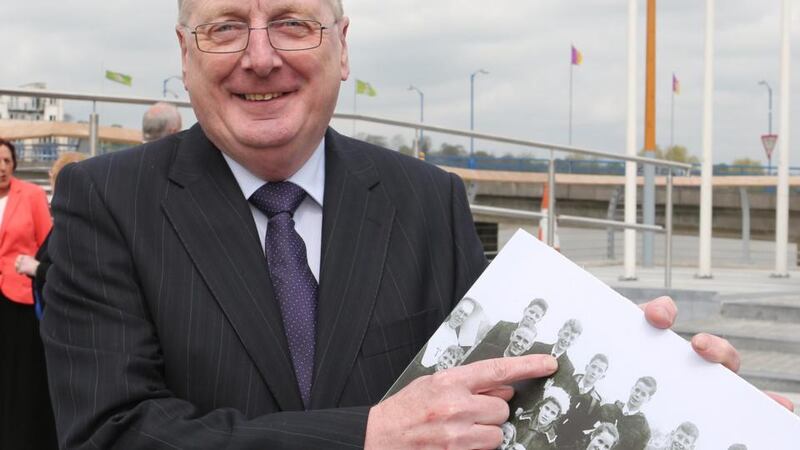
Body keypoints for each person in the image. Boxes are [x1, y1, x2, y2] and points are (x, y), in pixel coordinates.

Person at [39, 0, 784, 448]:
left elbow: (512, 410)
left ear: (341, 44)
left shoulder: (430, 200)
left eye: (293, 23)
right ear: (184, 52)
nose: (259, 58)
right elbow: (113, 435)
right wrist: (365, 437)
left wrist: (680, 397)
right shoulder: (105, 204)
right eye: (226, 27)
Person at [0, 138, 56, 449]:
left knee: (21, 376)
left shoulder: (32, 195)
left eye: (7, 161)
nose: (2, 167)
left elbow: (47, 246)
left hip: (19, 298)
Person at [15, 151, 87, 318]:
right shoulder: (72, 218)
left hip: (65, 319)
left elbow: (73, 276)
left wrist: (35, 268)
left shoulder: (77, 223)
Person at [558, 353, 610, 447]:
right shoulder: (566, 382)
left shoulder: (595, 403)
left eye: (599, 370)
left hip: (565, 443)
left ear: (602, 376)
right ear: (587, 367)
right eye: (593, 367)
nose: (594, 372)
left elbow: (583, 429)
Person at [597, 376, 658, 450]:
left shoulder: (644, 431)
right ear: (632, 389)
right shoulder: (607, 409)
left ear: (648, 399)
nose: (637, 395)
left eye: (643, 394)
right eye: (637, 390)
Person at [420, 296, 482, 366]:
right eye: (460, 311)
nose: (461, 316)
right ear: (454, 308)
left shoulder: (454, 343)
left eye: (465, 315)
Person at [480, 297, 549, 347]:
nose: (532, 317)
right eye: (531, 312)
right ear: (525, 310)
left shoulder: (531, 342)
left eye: (537, 316)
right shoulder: (502, 325)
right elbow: (482, 347)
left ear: (539, 320)